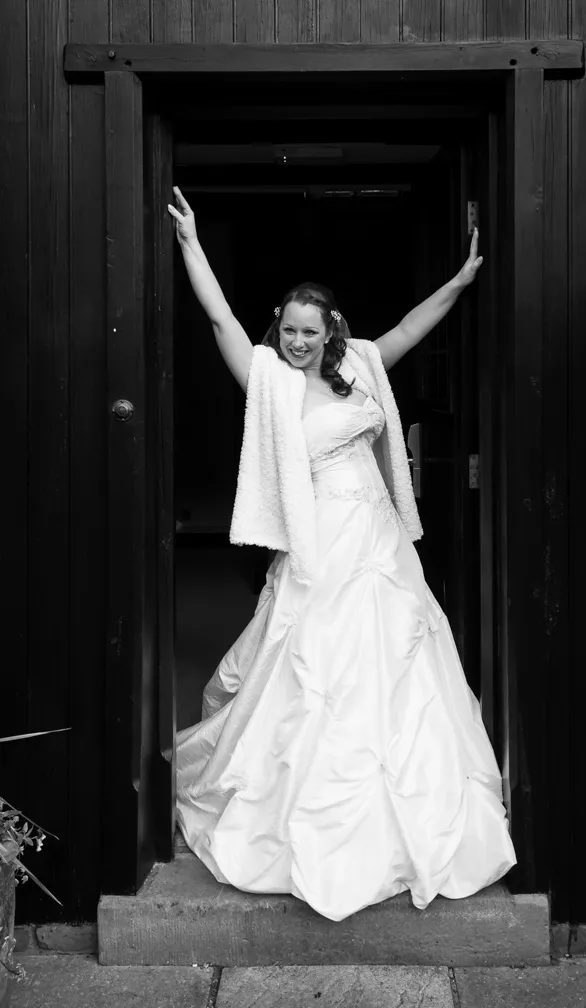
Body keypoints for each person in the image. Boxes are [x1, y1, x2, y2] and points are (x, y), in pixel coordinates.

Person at [167, 186, 516, 923]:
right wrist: (193, 244)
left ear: (330, 332)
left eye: (308, 332)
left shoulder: (360, 363)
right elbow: (218, 318)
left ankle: (414, 809)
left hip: (381, 541)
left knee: (401, 662)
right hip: (321, 541)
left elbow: (408, 329)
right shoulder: (266, 379)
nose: (296, 341)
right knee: (316, 671)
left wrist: (458, 280)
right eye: (288, 330)